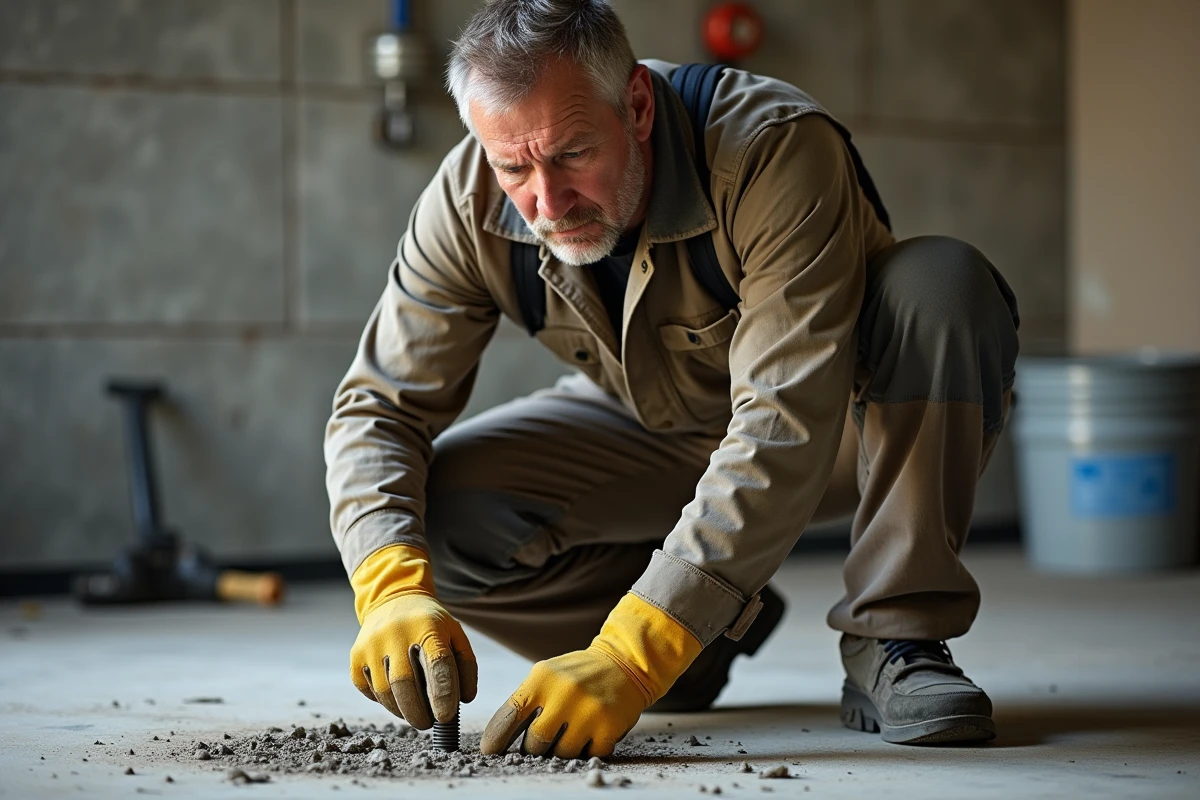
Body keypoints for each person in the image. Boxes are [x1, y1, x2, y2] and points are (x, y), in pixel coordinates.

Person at [324, 0, 1019, 759]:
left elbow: (783, 418)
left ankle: (896, 640)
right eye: (514, 166)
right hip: (659, 429)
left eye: (573, 153)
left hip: (849, 428)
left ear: (639, 106)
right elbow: (377, 409)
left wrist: (636, 650)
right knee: (448, 510)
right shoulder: (468, 201)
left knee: (942, 285)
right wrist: (390, 587)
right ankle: (699, 644)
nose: (546, 204)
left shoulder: (768, 150)